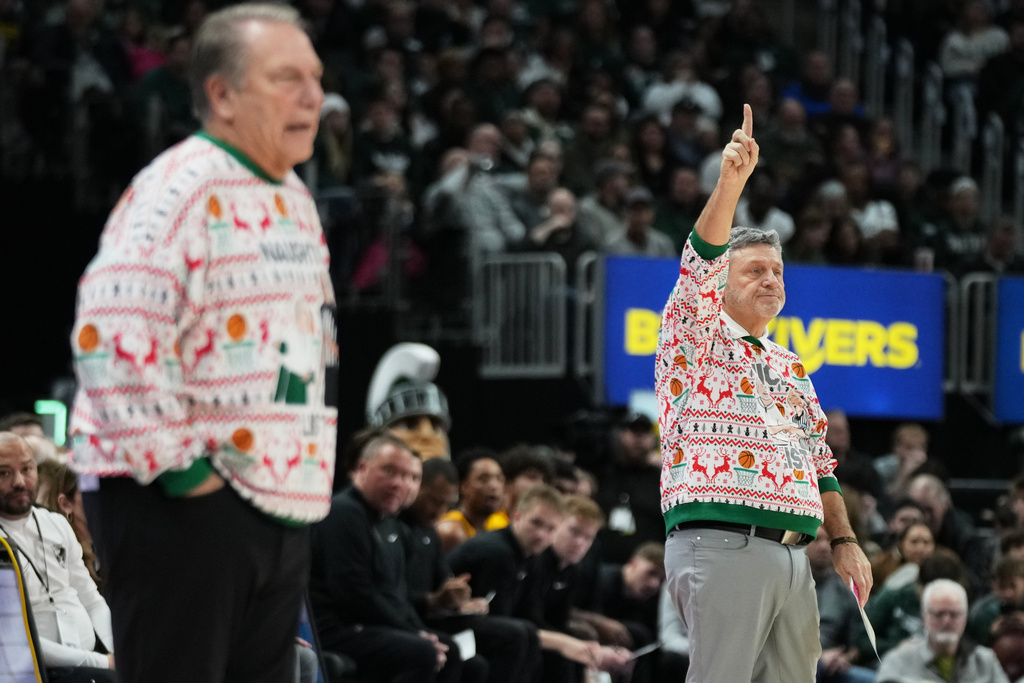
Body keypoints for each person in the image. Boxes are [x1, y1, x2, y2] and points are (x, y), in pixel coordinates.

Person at [67, 5, 339, 681]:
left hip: (276, 499)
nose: (314, 96)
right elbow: (109, 336)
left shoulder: (295, 197)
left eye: (315, 77)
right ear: (221, 94)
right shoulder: (177, 188)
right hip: (182, 499)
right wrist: (188, 476)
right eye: (286, 78)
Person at [655, 104, 872, 682]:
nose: (771, 279)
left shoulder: (789, 363)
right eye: (753, 271)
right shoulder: (694, 335)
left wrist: (845, 539)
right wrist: (731, 182)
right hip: (723, 541)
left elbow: (819, 461)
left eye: (777, 270)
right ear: (720, 285)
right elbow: (697, 265)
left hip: (794, 554)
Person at [310, 433, 487, 683]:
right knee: (423, 652)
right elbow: (354, 594)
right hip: (335, 629)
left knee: (450, 649)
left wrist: (422, 631)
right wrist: (415, 633)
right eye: (389, 471)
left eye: (411, 477)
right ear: (362, 468)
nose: (400, 483)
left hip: (367, 624)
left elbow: (396, 595)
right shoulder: (344, 513)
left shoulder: (389, 524)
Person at [401, 458, 539, 683]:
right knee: (511, 635)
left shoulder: (429, 531)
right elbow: (400, 593)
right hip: (418, 617)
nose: (440, 510)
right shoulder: (445, 530)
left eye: (446, 503)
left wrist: (461, 600)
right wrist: (435, 601)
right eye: (435, 501)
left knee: (520, 636)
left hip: (434, 614)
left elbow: (445, 580)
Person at [0, 433, 116, 682]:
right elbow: (15, 639)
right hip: (32, 671)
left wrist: (116, 654)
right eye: (4, 473)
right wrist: (102, 663)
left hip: (90, 661)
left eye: (27, 469)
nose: (19, 482)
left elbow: (92, 601)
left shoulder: (55, 523)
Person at [876, 579, 1009, 683]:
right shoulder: (899, 660)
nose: (947, 621)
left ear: (965, 617)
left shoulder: (985, 660)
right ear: (925, 617)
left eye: (954, 614)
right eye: (939, 614)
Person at [806, 527, 874, 683]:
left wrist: (846, 657)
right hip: (795, 661)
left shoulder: (848, 588)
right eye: (817, 540)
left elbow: (858, 639)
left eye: (828, 541)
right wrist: (819, 661)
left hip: (834, 667)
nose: (823, 547)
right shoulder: (789, 586)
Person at [35, 460, 101, 587]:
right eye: (87, 492)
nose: (97, 499)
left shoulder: (105, 544)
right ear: (65, 504)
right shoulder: (59, 553)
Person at [437, 448, 507, 550]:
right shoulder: (450, 532)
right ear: (463, 486)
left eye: (499, 479)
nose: (494, 486)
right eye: (484, 479)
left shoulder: (494, 528)